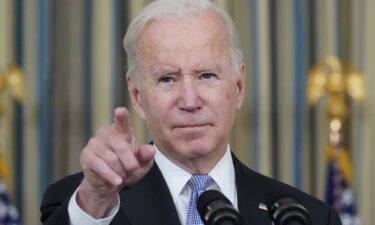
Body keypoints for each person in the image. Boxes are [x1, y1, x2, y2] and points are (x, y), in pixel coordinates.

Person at [40, 0, 342, 224]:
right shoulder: (87, 203)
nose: (189, 100)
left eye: (207, 75)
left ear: (238, 87)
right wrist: (95, 199)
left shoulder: (309, 216)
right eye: (167, 79)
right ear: (137, 96)